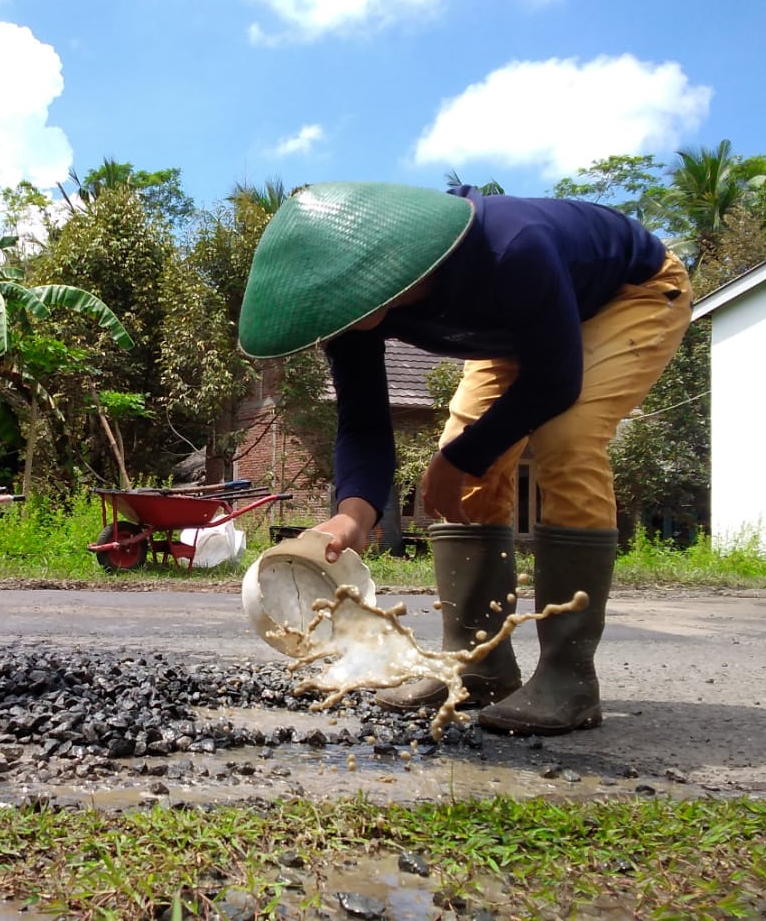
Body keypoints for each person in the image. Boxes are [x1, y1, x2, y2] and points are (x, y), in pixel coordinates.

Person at [238, 181, 691, 736]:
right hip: (518, 333)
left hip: (628, 294)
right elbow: (363, 421)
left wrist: (462, 456)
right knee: (466, 470)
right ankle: (479, 664)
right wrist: (353, 511)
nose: (343, 322)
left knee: (566, 438)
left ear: (381, 268)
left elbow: (555, 380)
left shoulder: (511, 247)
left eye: (348, 305)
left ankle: (567, 677)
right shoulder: (353, 311)